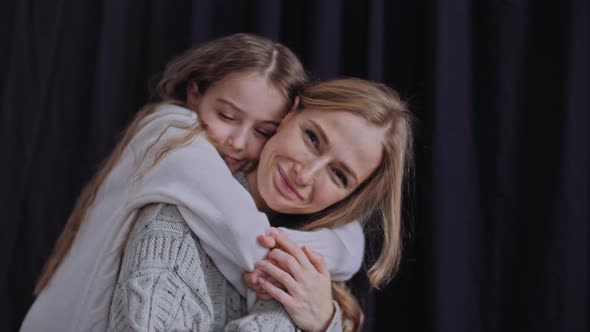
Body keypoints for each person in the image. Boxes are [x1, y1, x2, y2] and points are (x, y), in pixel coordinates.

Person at [20, 34, 365, 332]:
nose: (238, 142)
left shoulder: (245, 181)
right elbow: (242, 232)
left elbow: (350, 242)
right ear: (195, 92)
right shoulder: (169, 135)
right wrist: (305, 283)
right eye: (226, 116)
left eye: (264, 131)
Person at [109, 78, 413, 332]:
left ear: (349, 198)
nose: (305, 174)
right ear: (289, 114)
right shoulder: (177, 220)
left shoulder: (316, 274)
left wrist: (323, 321)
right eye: (312, 138)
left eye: (338, 175)